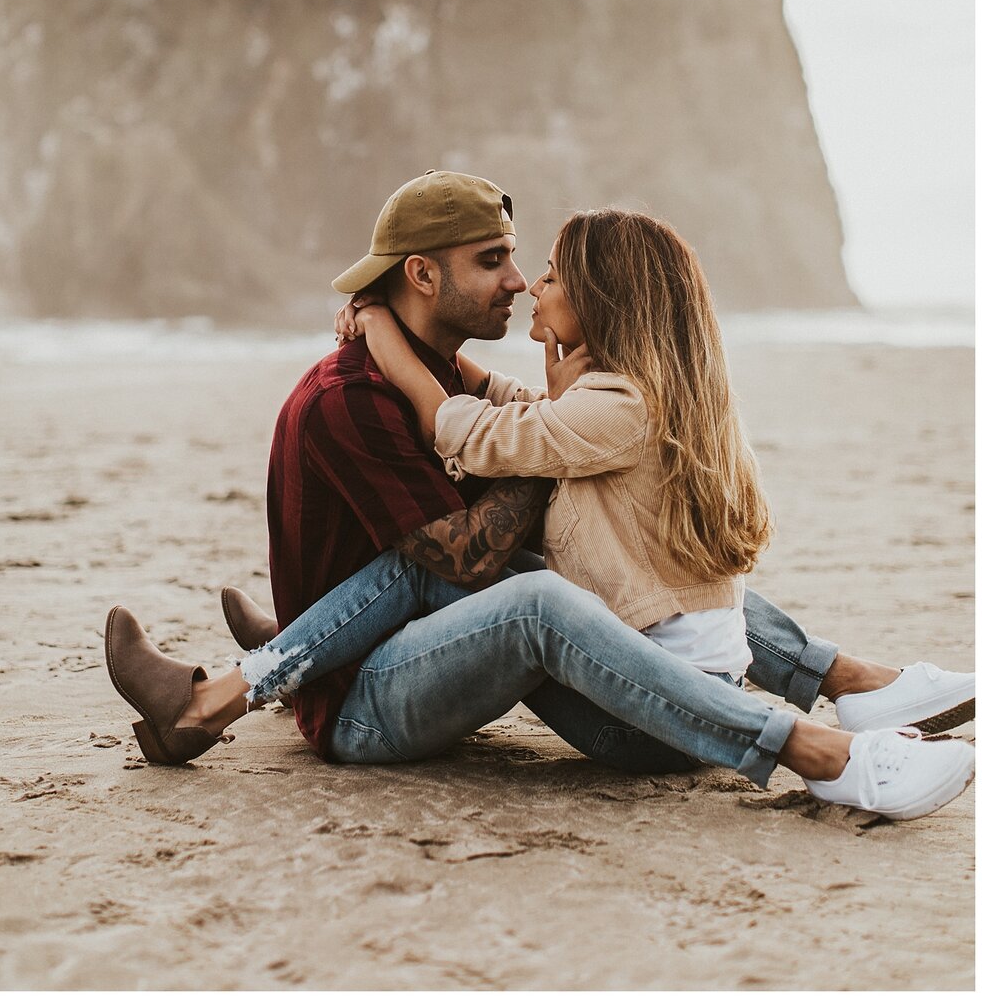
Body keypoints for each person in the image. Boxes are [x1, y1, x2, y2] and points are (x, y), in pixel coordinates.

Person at [104, 172, 974, 821]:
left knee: (576, 568)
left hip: (626, 689)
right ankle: (822, 738)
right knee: (530, 584)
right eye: (500, 262)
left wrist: (479, 390)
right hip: (380, 698)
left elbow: (490, 446)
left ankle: (248, 678)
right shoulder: (355, 399)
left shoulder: (549, 396)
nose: (522, 283)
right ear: (423, 275)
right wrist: (526, 421)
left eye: (534, 268)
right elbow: (463, 546)